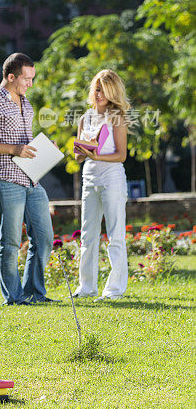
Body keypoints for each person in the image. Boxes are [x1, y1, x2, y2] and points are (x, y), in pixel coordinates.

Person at [0, 52, 55, 305]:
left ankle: (34, 292)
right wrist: (13, 149)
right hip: (4, 178)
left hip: (30, 178)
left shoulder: (26, 102)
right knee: (11, 242)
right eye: (27, 79)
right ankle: (14, 298)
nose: (31, 84)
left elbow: (23, 142)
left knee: (44, 237)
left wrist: (43, 147)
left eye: (32, 79)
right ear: (10, 76)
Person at [74, 69, 130, 300]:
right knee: (88, 235)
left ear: (112, 92)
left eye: (104, 90)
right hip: (89, 179)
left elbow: (121, 155)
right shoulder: (84, 118)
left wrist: (97, 156)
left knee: (115, 234)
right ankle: (86, 287)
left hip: (112, 179)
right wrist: (83, 149)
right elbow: (78, 157)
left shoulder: (117, 118)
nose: (99, 94)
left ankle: (114, 290)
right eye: (97, 89)